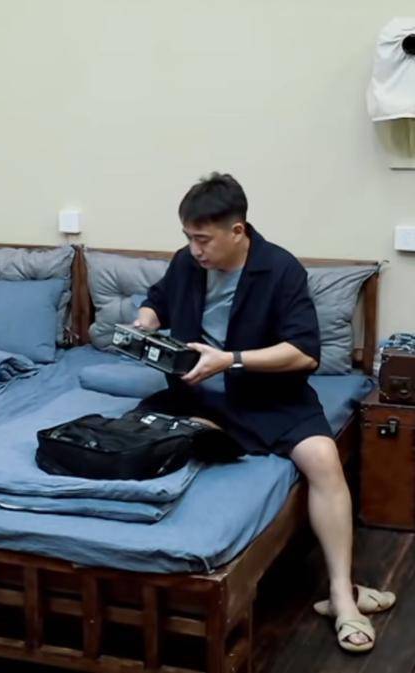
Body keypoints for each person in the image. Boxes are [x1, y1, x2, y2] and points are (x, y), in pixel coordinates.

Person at [133, 172, 395, 653]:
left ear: (237, 231)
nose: (194, 249)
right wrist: (145, 321)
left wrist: (230, 359)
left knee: (323, 459)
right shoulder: (186, 263)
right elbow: (158, 300)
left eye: (203, 239)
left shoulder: (280, 270)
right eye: (188, 237)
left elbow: (304, 353)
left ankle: (342, 595)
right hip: (197, 397)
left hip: (269, 397)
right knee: (143, 440)